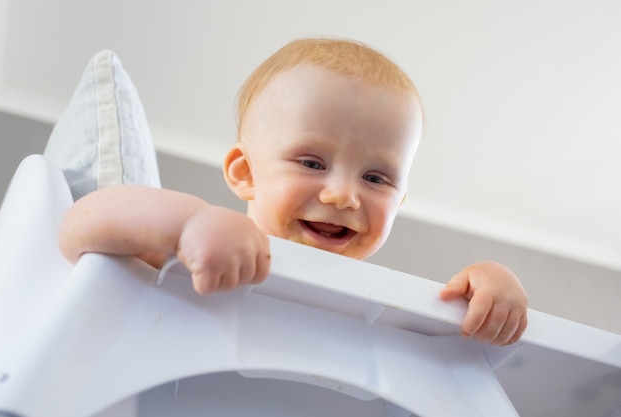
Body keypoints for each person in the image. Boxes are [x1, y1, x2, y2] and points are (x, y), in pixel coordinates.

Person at [59, 38, 528, 346]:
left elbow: (447, 360)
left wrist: (490, 288)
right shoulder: (198, 251)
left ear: (400, 200)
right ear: (245, 173)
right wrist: (186, 223)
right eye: (311, 163)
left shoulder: (384, 309)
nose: (343, 196)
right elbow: (78, 225)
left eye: (376, 178)